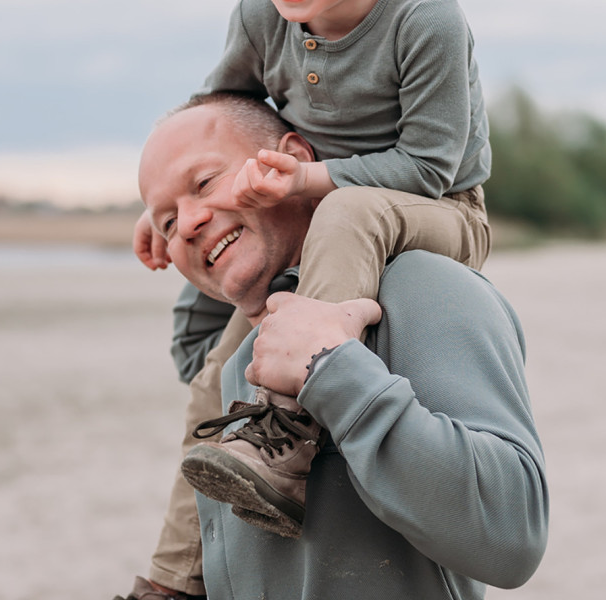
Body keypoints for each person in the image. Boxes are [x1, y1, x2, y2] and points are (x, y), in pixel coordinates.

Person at [119, 94, 547, 599]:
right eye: (167, 222)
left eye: (205, 182)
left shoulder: (421, 286)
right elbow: (195, 316)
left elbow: (512, 535)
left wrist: (333, 371)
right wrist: (190, 216)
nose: (187, 224)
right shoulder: (232, 354)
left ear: (292, 162)